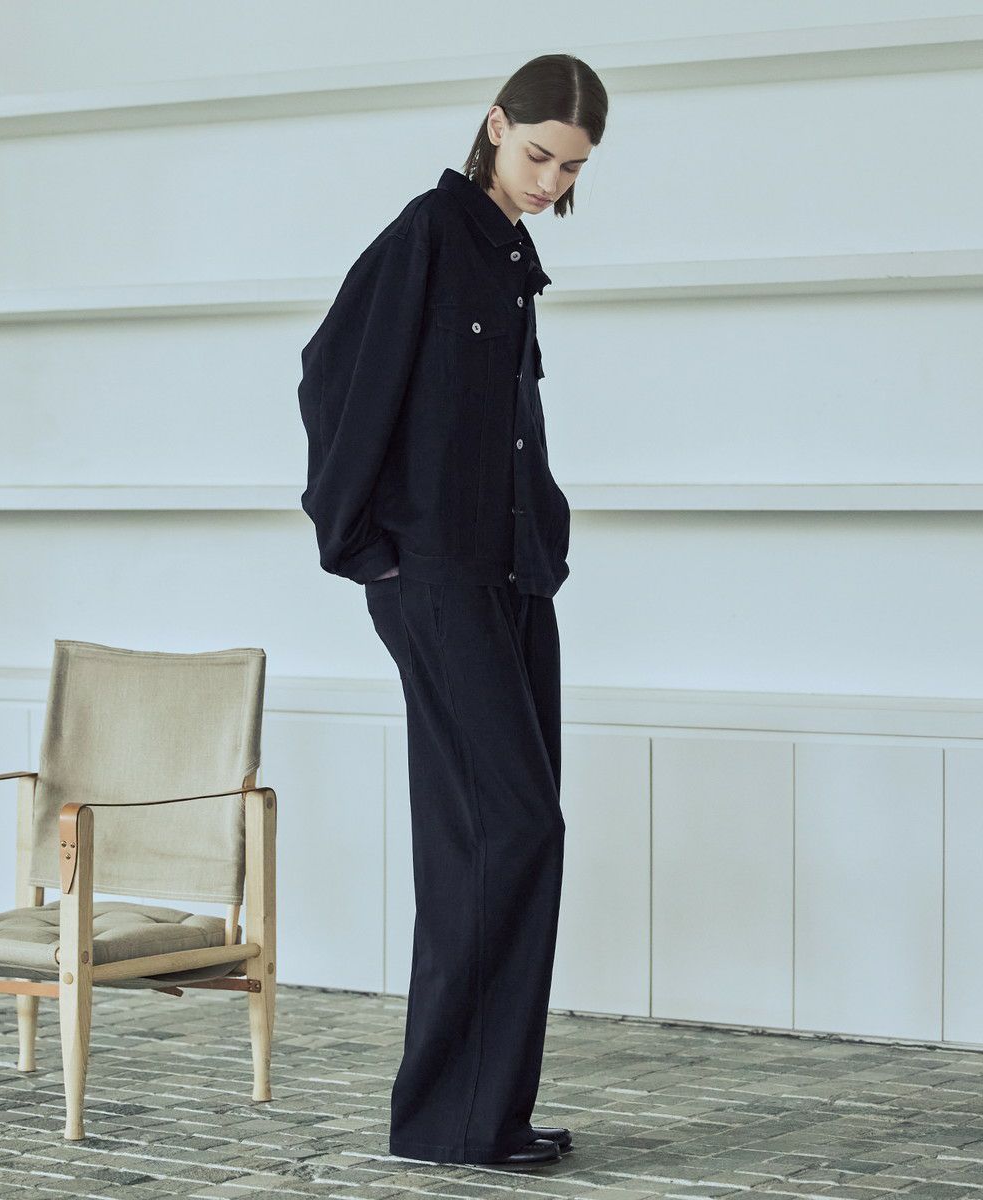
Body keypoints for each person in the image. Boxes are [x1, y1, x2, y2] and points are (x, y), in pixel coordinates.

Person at [297, 53, 608, 1169]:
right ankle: (454, 1117)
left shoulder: (512, 258)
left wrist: (545, 534)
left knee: (498, 833)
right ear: (494, 124)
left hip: (512, 576)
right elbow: (330, 371)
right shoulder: (430, 233)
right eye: (537, 155)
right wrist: (361, 547)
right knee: (511, 827)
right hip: (436, 575)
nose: (548, 181)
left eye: (571, 169)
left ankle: (476, 1117)